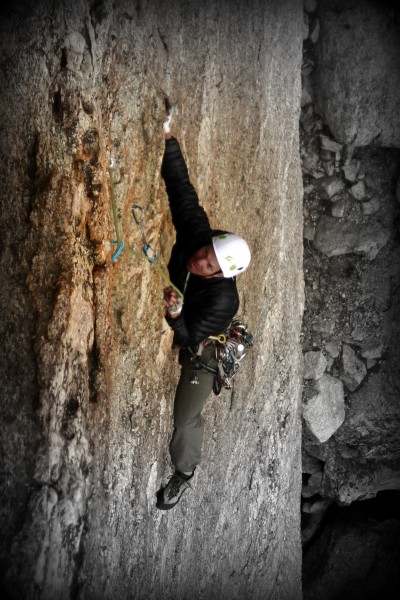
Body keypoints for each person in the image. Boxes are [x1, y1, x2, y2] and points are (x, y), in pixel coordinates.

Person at [156, 102, 251, 510]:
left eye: (209, 264)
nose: (199, 260)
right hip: (189, 316)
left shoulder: (223, 299)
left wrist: (175, 314)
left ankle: (185, 471)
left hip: (203, 347)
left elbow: (192, 334)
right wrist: (167, 141)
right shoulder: (199, 238)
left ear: (220, 274)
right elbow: (183, 193)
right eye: (206, 253)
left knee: (185, 417)